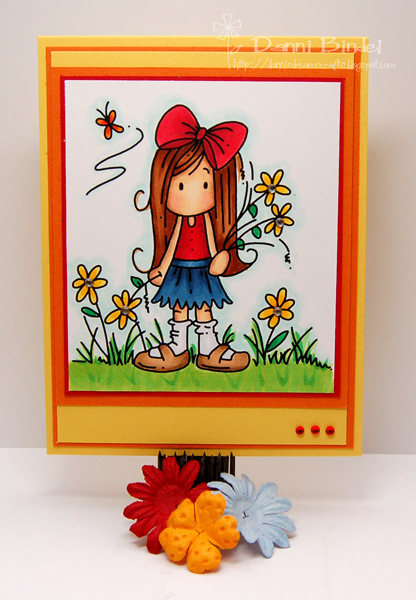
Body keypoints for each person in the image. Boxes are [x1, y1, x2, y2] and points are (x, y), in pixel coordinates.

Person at [134, 104, 250, 373]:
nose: (191, 195)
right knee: (179, 308)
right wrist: (161, 268)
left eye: (205, 185)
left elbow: (212, 242)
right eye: (180, 185)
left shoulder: (208, 221)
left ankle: (209, 348)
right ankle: (177, 348)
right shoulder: (177, 224)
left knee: (204, 307)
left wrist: (222, 257)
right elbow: (172, 244)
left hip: (202, 268)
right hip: (178, 268)